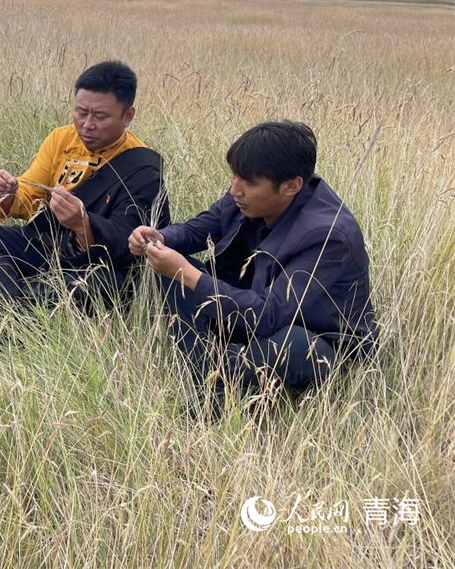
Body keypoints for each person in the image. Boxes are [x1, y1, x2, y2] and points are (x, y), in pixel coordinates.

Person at [129, 121, 377, 415]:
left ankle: (219, 382)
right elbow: (199, 230)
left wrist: (189, 273)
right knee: (165, 270)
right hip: (250, 311)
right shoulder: (245, 196)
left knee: (290, 344)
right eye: (234, 176)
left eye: (248, 182)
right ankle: (208, 368)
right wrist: (160, 238)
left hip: (315, 340)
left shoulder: (329, 235)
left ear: (291, 186)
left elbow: (270, 314)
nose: (235, 189)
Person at [0, 60, 169, 324]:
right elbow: (29, 190)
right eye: (81, 112)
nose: (87, 124)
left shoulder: (141, 167)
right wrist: (10, 192)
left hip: (96, 263)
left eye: (101, 116)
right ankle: (11, 317)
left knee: (102, 284)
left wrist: (84, 224)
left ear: (127, 116)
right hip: (48, 245)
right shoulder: (61, 139)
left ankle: (13, 306)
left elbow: (129, 247)